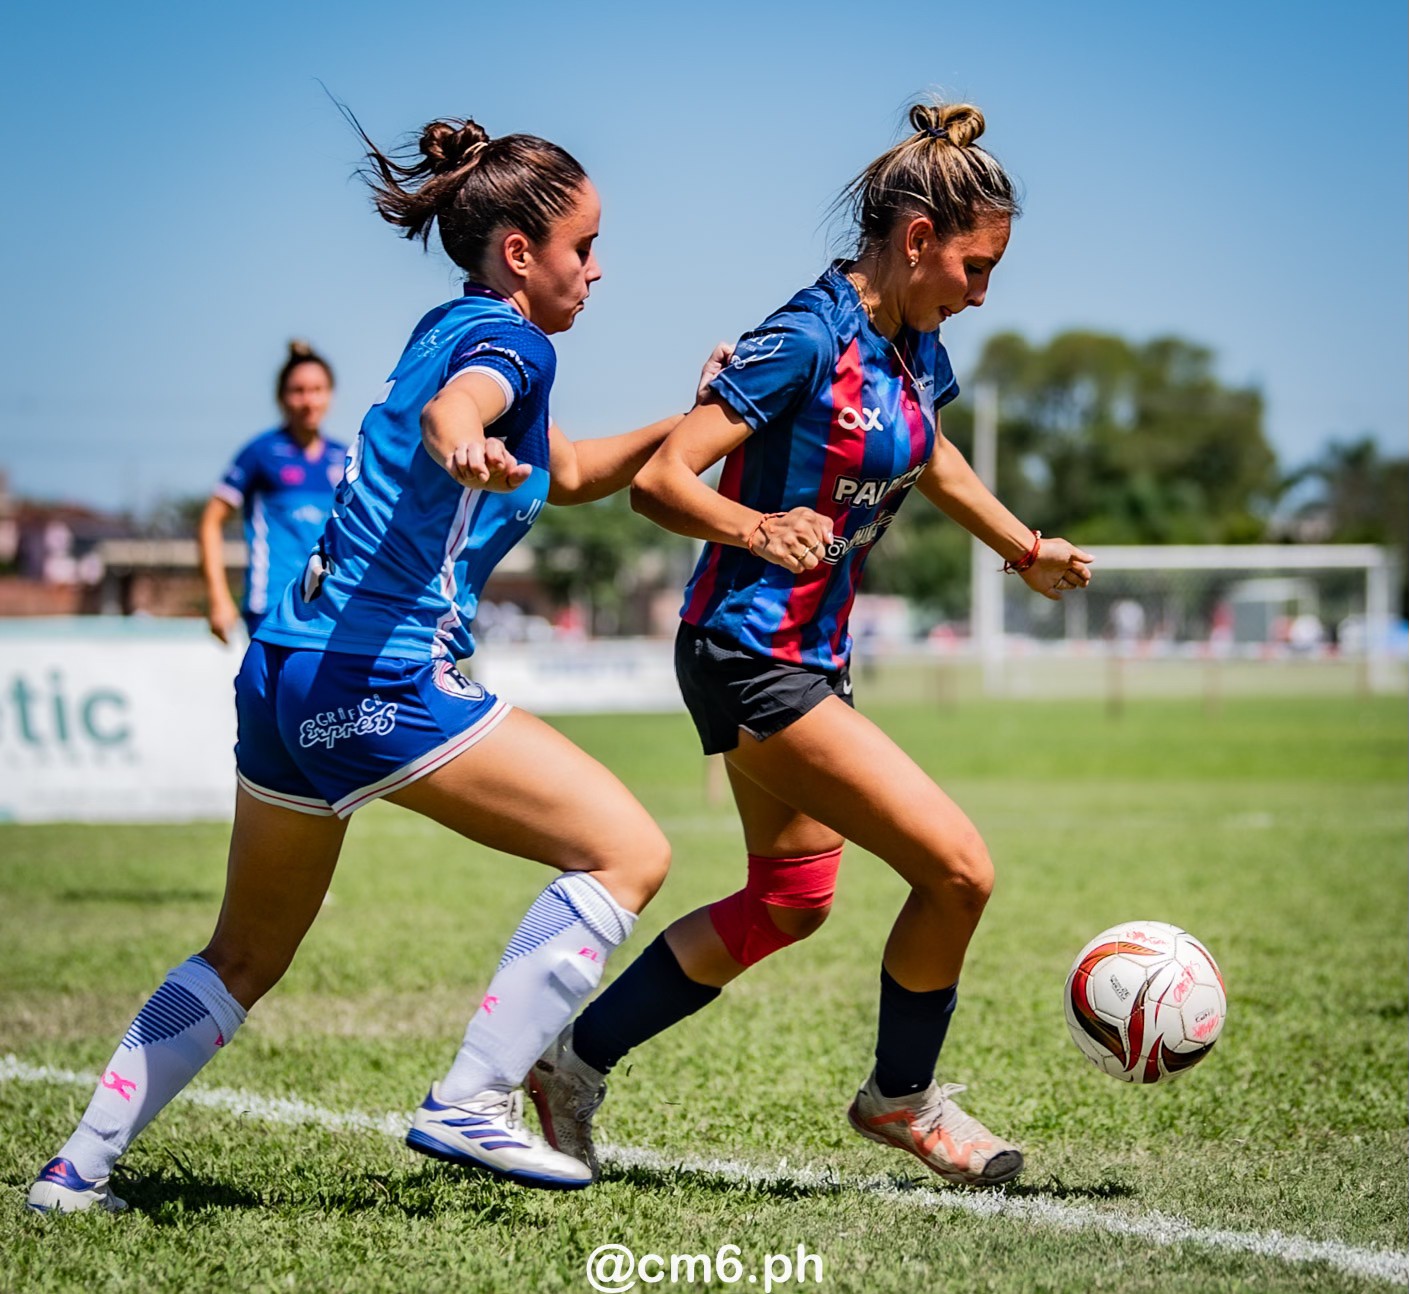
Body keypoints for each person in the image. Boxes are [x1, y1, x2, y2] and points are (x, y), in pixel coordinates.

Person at [27, 111, 728, 1212]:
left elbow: (573, 466)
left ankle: (76, 1170)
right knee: (626, 849)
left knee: (244, 954)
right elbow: (470, 408)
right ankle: (473, 1095)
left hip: (284, 672)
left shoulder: (439, 328)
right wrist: (463, 439)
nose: (597, 269)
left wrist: (700, 413)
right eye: (582, 248)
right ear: (518, 254)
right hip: (376, 674)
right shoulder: (509, 346)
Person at [528, 101, 1093, 1189]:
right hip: (748, 652)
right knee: (959, 872)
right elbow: (660, 479)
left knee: (788, 899)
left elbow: (931, 458)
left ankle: (568, 1061)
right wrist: (754, 526)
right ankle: (902, 1099)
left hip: (805, 659)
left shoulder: (914, 349)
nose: (984, 291)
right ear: (917, 240)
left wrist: (1024, 548)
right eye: (975, 266)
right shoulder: (806, 336)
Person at [198, 342, 346, 642]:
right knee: (275, 690)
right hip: (272, 605)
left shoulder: (345, 458)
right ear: (281, 398)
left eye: (317, 389)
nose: (309, 400)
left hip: (329, 606)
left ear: (330, 395)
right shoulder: (260, 453)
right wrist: (218, 597)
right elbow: (210, 522)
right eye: (298, 390)